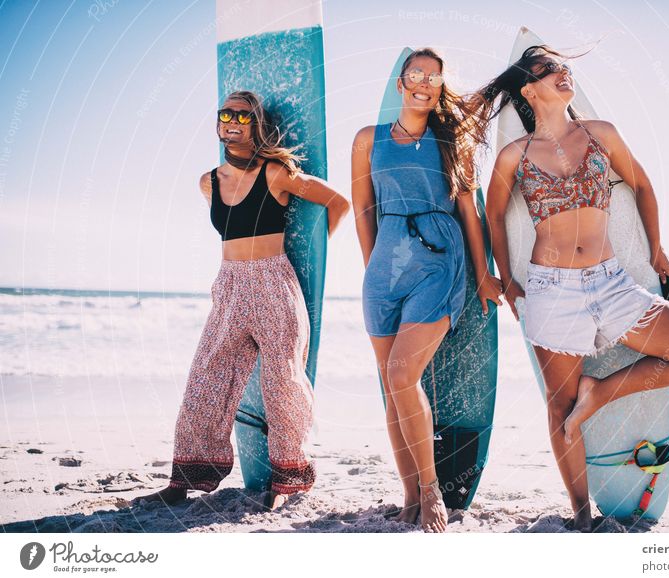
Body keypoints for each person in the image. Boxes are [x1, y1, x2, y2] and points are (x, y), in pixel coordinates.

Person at [476, 46, 669, 531]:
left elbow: (643, 186)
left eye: (564, 67)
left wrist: (655, 252)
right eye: (550, 70)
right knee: (560, 408)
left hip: (613, 285)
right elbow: (494, 214)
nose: (562, 74)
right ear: (530, 89)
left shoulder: (600, 133)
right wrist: (505, 280)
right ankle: (581, 513)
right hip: (550, 290)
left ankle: (603, 390)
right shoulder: (515, 155)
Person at [133, 90, 350, 509]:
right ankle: (183, 480)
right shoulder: (208, 182)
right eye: (226, 113)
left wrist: (315, 260)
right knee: (204, 380)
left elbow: (337, 202)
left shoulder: (276, 173)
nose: (232, 120)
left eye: (243, 115)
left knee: (282, 384)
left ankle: (286, 481)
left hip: (273, 282)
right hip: (229, 285)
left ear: (257, 125)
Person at [352, 48, 503, 533]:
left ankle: (432, 488)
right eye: (415, 74)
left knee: (401, 376)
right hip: (385, 267)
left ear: (439, 88)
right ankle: (410, 495)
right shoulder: (366, 140)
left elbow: (469, 212)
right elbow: (363, 211)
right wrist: (373, 270)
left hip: (439, 260)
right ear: (400, 83)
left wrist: (482, 273)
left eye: (433, 77)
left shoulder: (451, 140)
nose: (423, 82)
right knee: (390, 387)